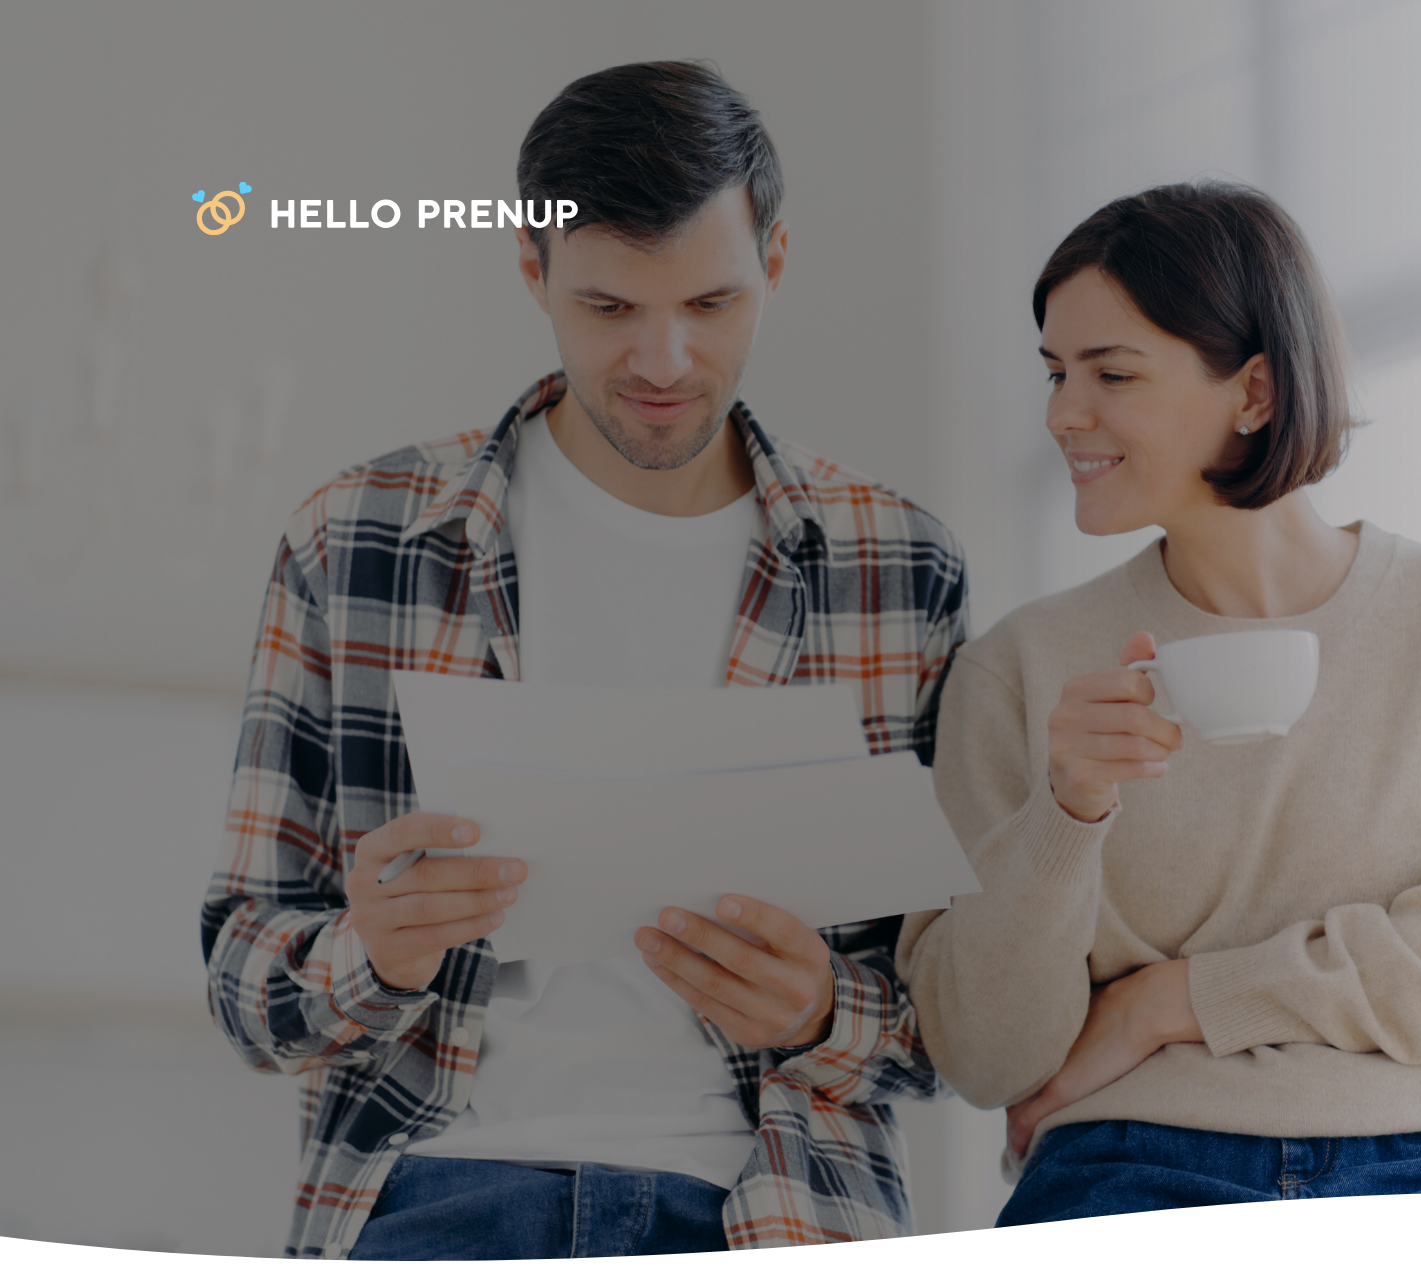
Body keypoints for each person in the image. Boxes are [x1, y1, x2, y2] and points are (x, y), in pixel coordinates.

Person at [200, 61, 967, 1259]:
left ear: (775, 261)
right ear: (532, 270)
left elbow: (966, 1019)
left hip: (773, 1211)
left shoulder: (899, 566)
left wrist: (827, 1007)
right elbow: (245, 989)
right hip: (431, 1191)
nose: (662, 361)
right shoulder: (355, 541)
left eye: (710, 305)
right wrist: (374, 952)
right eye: (610, 309)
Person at [896, 182, 1421, 1222]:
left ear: (1254, 391)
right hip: (1132, 1160)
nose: (1061, 414)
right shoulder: (1021, 668)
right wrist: (1067, 810)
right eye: (1054, 373)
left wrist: (1164, 1004)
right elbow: (985, 1052)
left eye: (1111, 373)